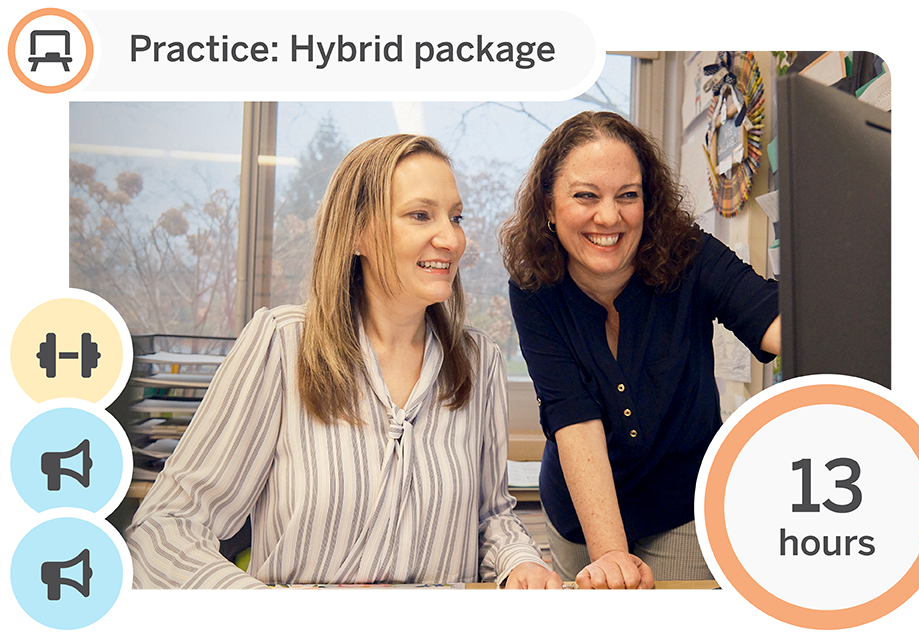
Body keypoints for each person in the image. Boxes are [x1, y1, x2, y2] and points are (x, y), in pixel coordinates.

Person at [126, 134, 562, 597]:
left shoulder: (480, 361)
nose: (451, 238)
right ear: (358, 232)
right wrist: (254, 603)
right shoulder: (281, 344)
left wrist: (520, 561)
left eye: (455, 217)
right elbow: (164, 529)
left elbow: (490, 517)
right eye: (421, 215)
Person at [499, 111, 780, 596]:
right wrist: (609, 556)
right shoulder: (534, 286)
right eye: (586, 195)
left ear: (648, 203)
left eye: (627, 195)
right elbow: (573, 418)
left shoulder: (690, 254)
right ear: (549, 205)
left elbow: (774, 319)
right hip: (579, 509)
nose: (609, 217)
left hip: (682, 506)